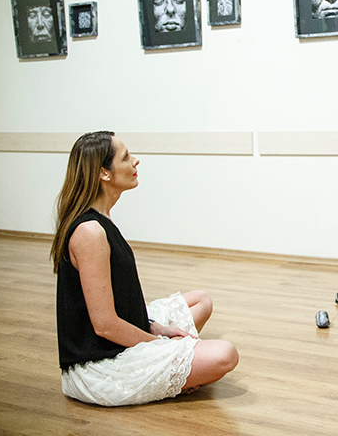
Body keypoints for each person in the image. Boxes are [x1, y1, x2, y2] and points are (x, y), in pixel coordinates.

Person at [51, 131, 238, 406]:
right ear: (104, 173)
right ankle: (175, 376)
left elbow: (119, 303)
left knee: (200, 300)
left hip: (120, 335)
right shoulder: (89, 232)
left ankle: (177, 372)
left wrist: (156, 328)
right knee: (224, 354)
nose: (135, 161)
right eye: (126, 157)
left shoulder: (101, 219)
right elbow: (105, 325)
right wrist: (161, 345)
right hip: (98, 367)